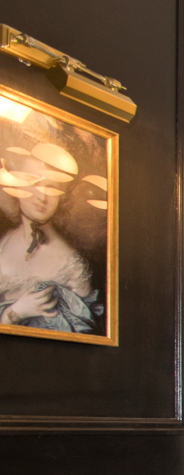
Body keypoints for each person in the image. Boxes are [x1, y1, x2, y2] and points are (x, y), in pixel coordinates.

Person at [0, 122, 104, 335]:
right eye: (33, 182)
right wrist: (15, 312)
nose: (41, 196)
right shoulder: (4, 243)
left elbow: (84, 336)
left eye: (52, 187)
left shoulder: (71, 263)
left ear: (62, 196)